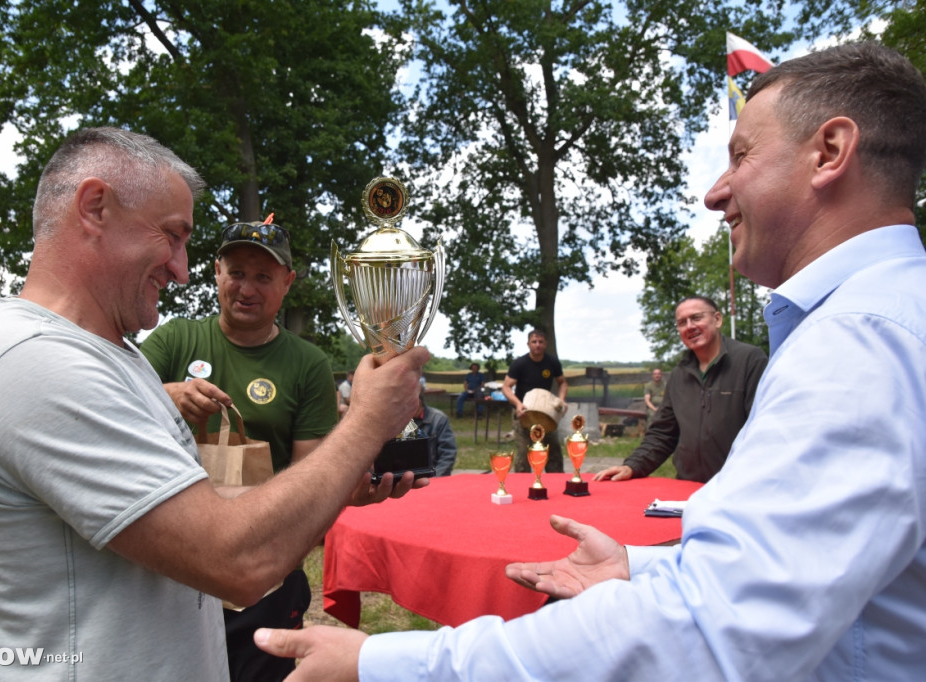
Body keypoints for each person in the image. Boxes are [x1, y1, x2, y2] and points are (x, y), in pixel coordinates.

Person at [253, 42, 926, 680]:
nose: (715, 193)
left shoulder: (860, 341)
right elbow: (798, 574)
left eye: (741, 155)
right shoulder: (883, 321)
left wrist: (383, 664)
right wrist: (645, 567)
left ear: (830, 151)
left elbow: (706, 633)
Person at [0, 126, 428, 681]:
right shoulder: (31, 362)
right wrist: (365, 423)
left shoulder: (117, 358)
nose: (182, 268)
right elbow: (233, 560)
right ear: (94, 207)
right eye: (172, 235)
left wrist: (337, 486)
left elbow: (202, 519)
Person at [139, 218, 340, 682]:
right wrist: (167, 394)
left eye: (263, 277)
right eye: (236, 273)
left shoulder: (308, 364)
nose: (246, 288)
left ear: (287, 284)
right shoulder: (173, 340)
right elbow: (111, 405)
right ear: (216, 272)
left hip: (263, 568)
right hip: (169, 559)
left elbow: (311, 476)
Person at [594, 296, 767, 483]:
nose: (690, 326)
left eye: (697, 318)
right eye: (682, 322)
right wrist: (632, 465)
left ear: (717, 319)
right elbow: (663, 432)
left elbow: (764, 430)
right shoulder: (679, 374)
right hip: (688, 486)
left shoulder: (750, 361)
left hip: (739, 486)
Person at [501, 328, 567, 473]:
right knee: (525, 452)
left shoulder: (552, 362)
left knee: (554, 451)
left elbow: (562, 382)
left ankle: (557, 482)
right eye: (534, 342)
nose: (537, 345)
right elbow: (506, 387)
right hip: (523, 412)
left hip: (546, 412)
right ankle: (521, 485)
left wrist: (561, 400)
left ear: (545, 344)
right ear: (528, 344)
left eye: (540, 342)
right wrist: (518, 404)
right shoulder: (520, 363)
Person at [413, 391, 458, 477]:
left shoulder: (439, 419)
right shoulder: (398, 421)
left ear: (419, 401)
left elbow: (448, 454)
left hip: (433, 477)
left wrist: (435, 480)